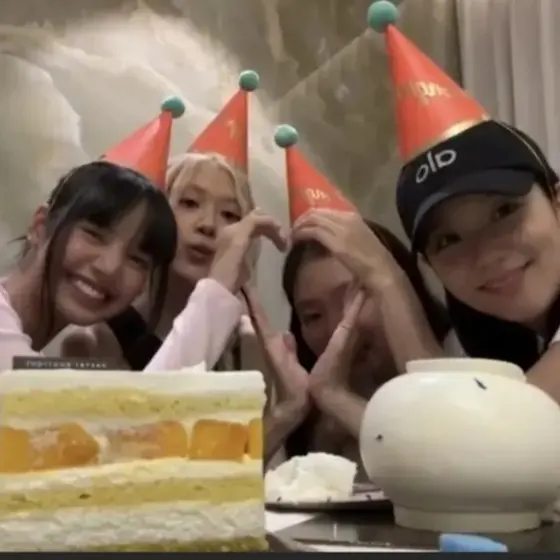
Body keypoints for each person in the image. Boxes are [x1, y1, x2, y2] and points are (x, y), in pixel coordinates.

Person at [368, 0, 560, 403]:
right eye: (448, 240)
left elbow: (484, 433)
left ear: (556, 202)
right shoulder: (491, 346)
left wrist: (387, 281)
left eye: (504, 211)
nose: (486, 254)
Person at [249, 125, 453, 472]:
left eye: (356, 296)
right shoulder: (309, 419)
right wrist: (295, 413)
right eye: (313, 316)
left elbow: (448, 459)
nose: (337, 327)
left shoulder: (465, 360)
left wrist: (337, 398)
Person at [61, 71, 283, 371]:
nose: (208, 225)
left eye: (230, 214)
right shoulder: (90, 341)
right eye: (189, 203)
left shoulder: (248, 346)